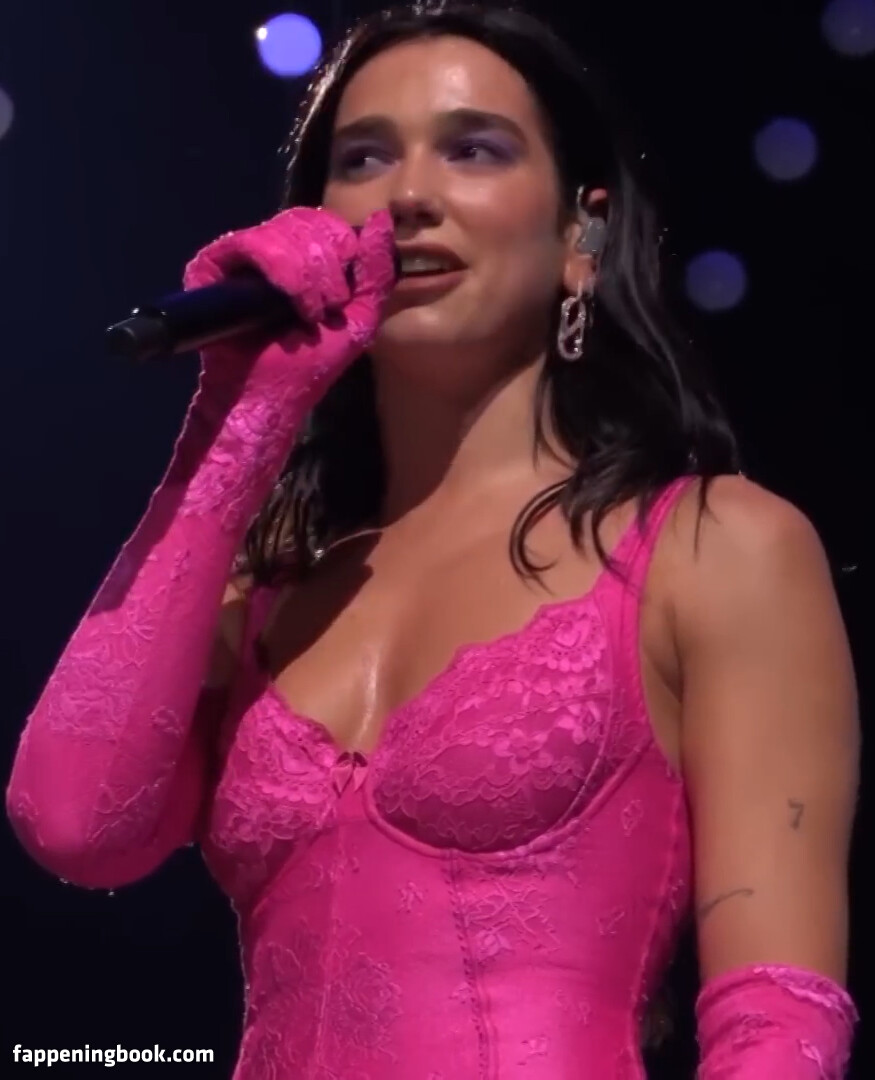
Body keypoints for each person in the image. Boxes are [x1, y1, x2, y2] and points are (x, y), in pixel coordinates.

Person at [6, 2, 861, 1077]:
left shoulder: (714, 545)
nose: (406, 195)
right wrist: (239, 413)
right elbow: (74, 823)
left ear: (581, 237)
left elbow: (776, 1019)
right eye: (362, 158)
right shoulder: (266, 582)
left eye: (472, 150)